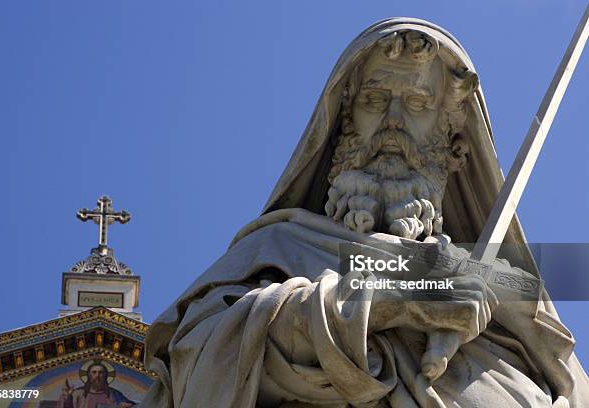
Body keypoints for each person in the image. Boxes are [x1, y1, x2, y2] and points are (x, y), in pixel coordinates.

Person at [140, 18, 589, 407]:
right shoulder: (277, 248)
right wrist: (390, 300)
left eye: (416, 103)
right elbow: (199, 360)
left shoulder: (508, 296)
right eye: (375, 101)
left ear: (450, 135)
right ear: (343, 122)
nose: (393, 120)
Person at [59, 361, 135, 408]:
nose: (97, 375)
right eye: (94, 372)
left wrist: (127, 405)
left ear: (105, 376)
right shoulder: (77, 393)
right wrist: (67, 398)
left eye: (101, 372)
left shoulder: (114, 394)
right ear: (88, 375)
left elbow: (134, 405)